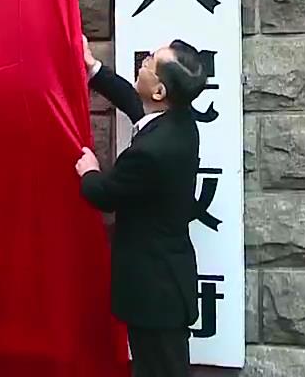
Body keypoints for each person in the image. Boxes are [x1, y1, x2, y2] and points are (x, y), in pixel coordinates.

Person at [74, 35, 206, 377]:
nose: (143, 61)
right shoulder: (179, 121)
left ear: (159, 91)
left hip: (154, 292)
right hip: (167, 283)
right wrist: (94, 69)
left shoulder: (151, 152)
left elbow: (104, 194)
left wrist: (89, 171)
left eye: (150, 62)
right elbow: (135, 103)